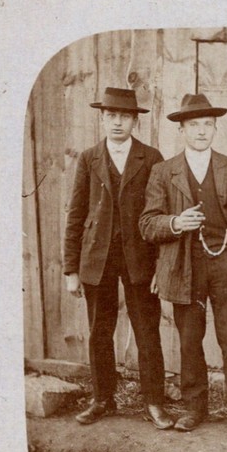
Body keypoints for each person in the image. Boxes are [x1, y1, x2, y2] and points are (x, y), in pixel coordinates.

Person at [139, 93, 227, 436]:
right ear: (181, 130)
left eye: (207, 125)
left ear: (215, 129)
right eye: (194, 125)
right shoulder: (163, 172)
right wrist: (176, 223)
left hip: (225, 262)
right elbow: (147, 222)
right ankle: (195, 408)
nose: (201, 132)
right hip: (184, 265)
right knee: (190, 339)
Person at [62, 87, 171, 428]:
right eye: (111, 116)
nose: (117, 123)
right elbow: (76, 213)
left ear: (135, 121)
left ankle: (154, 402)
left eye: (124, 117)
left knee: (147, 331)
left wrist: (160, 267)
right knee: (99, 331)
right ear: (102, 118)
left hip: (140, 258)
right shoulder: (89, 157)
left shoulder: (151, 157)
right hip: (97, 258)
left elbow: (160, 213)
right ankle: (102, 399)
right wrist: (71, 269)